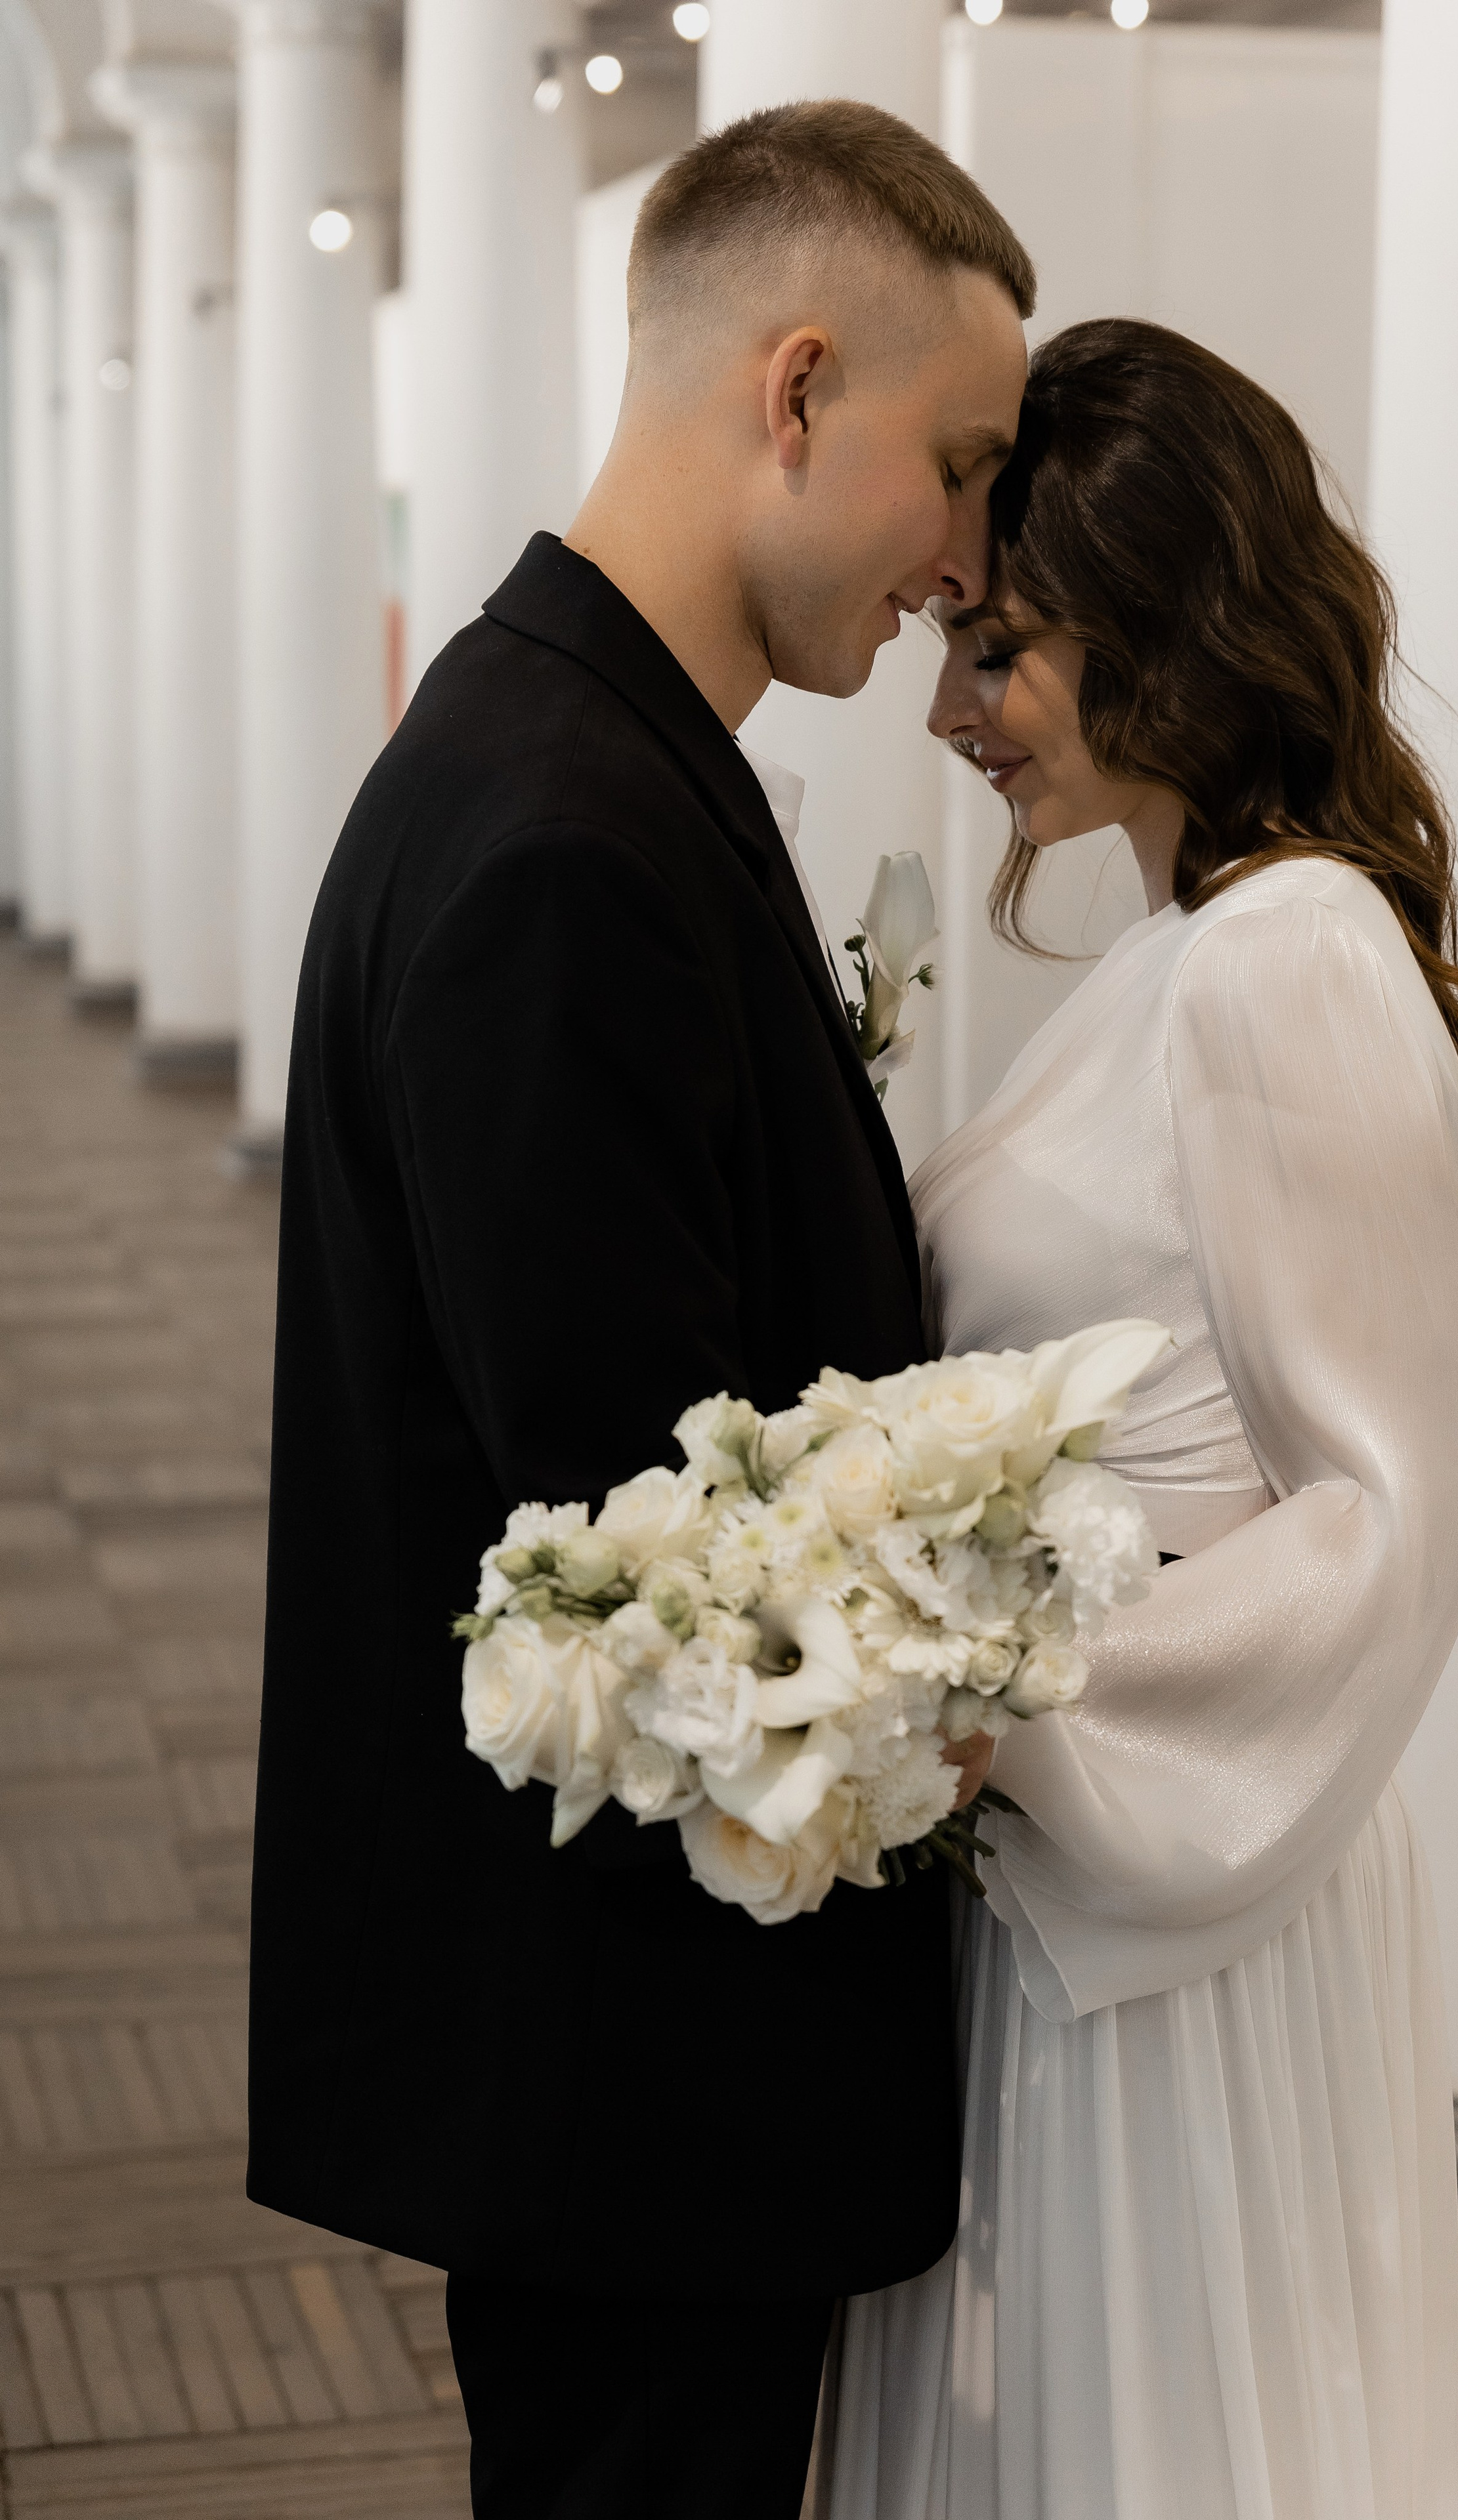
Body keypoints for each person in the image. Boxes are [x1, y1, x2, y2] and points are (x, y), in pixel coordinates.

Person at [245, 104, 1030, 2520]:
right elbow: (654, 1532)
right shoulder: (565, 829)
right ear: (797, 390)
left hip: (631, 2049)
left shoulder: (585, 751)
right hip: (636, 2051)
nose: (972, 562)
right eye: (962, 464)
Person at [825, 320, 1458, 2518]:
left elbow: (1385, 1514)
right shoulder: (1180, 945)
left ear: (1172, 622)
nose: (951, 713)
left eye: (1001, 648)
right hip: (1089, 1871)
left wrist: (1004, 1695)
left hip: (1178, 1894)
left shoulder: (1279, 958)